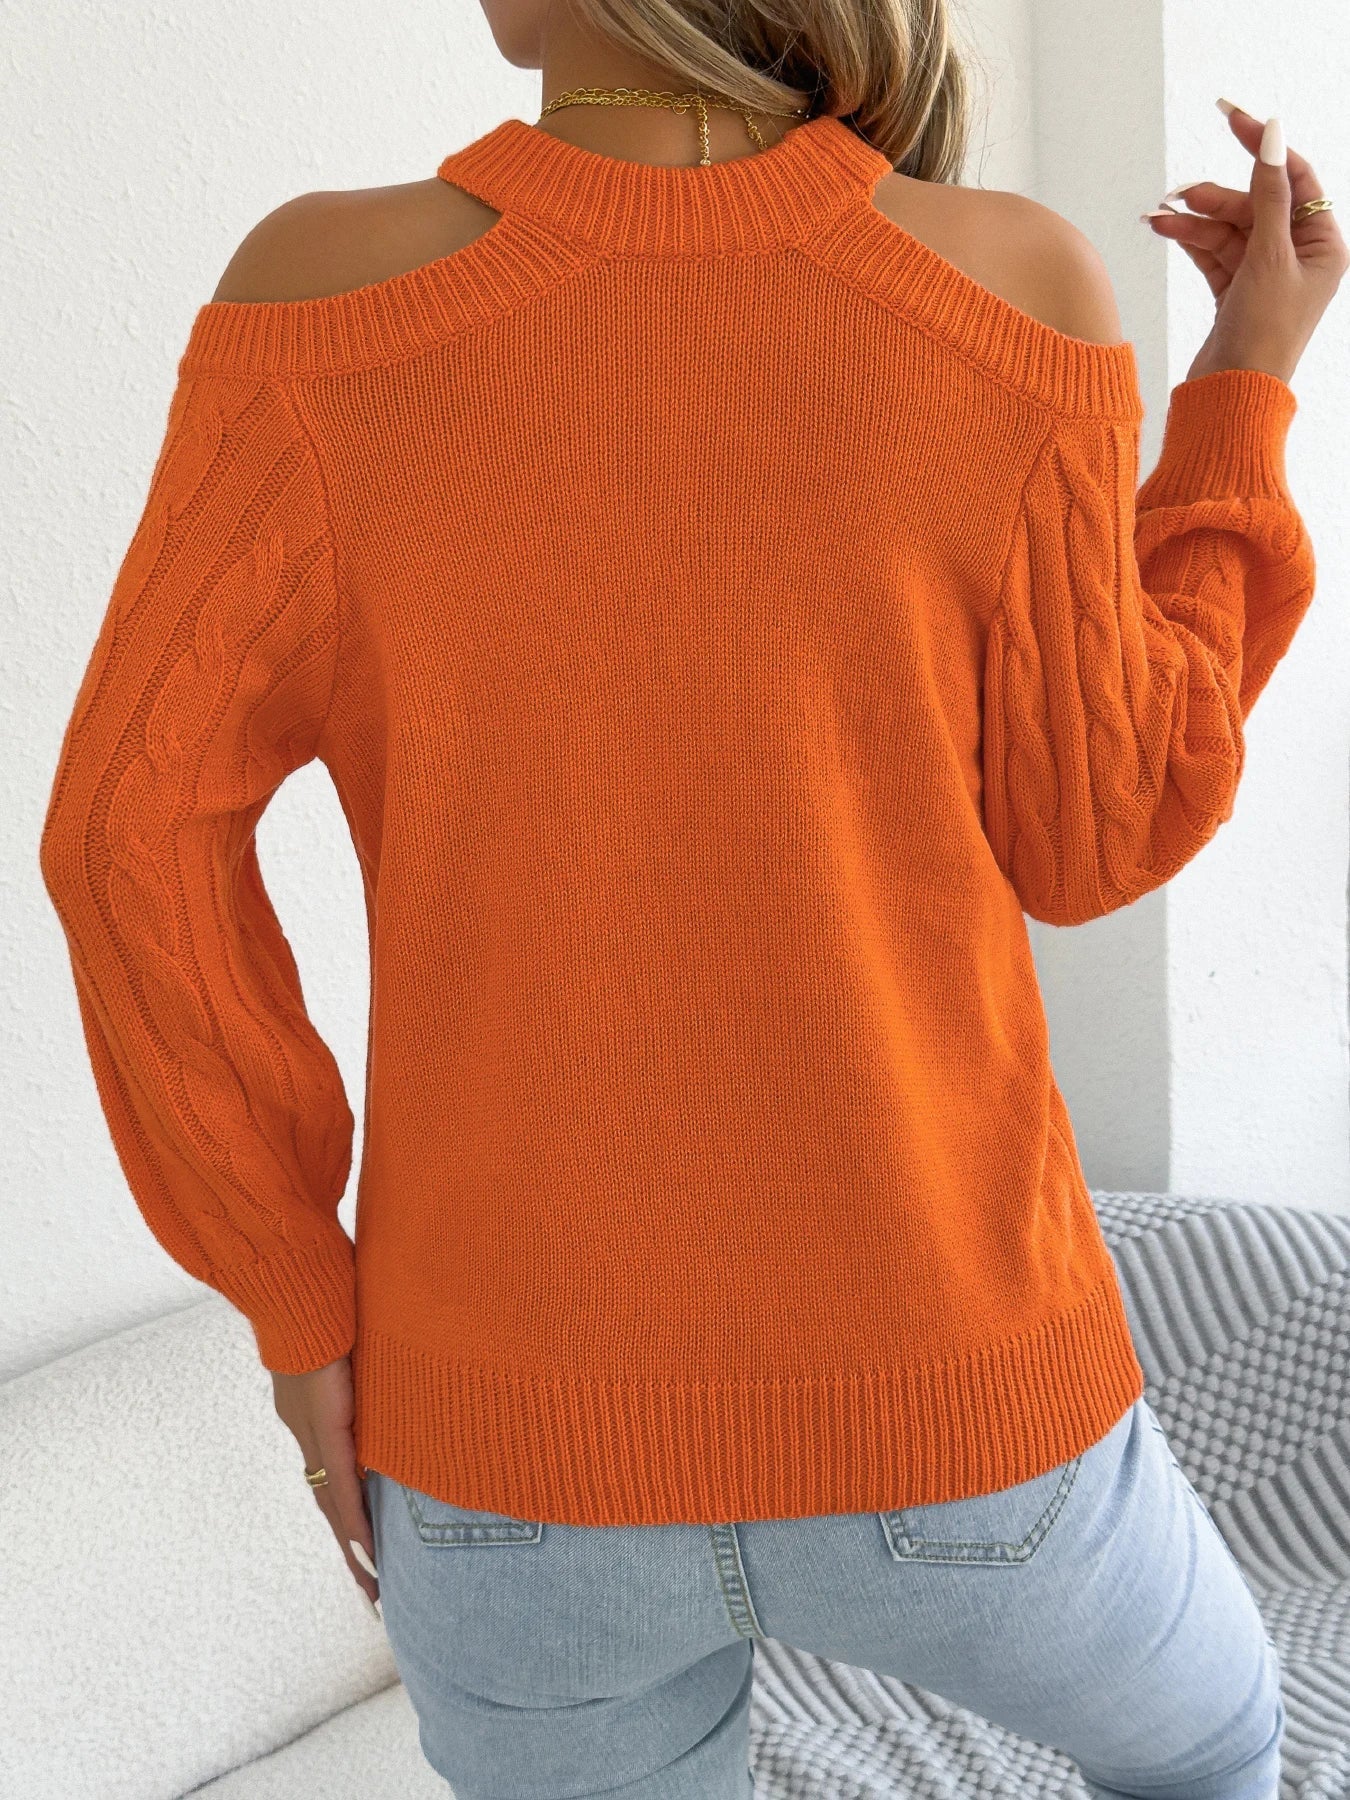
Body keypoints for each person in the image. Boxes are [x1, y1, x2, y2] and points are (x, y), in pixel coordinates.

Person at [37, 0, 1344, 1789]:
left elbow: (123, 837)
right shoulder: (1011, 278)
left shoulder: (317, 298)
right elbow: (1097, 830)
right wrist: (1244, 381)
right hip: (964, 1417)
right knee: (1222, 1755)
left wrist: (296, 1299)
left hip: (507, 1460)